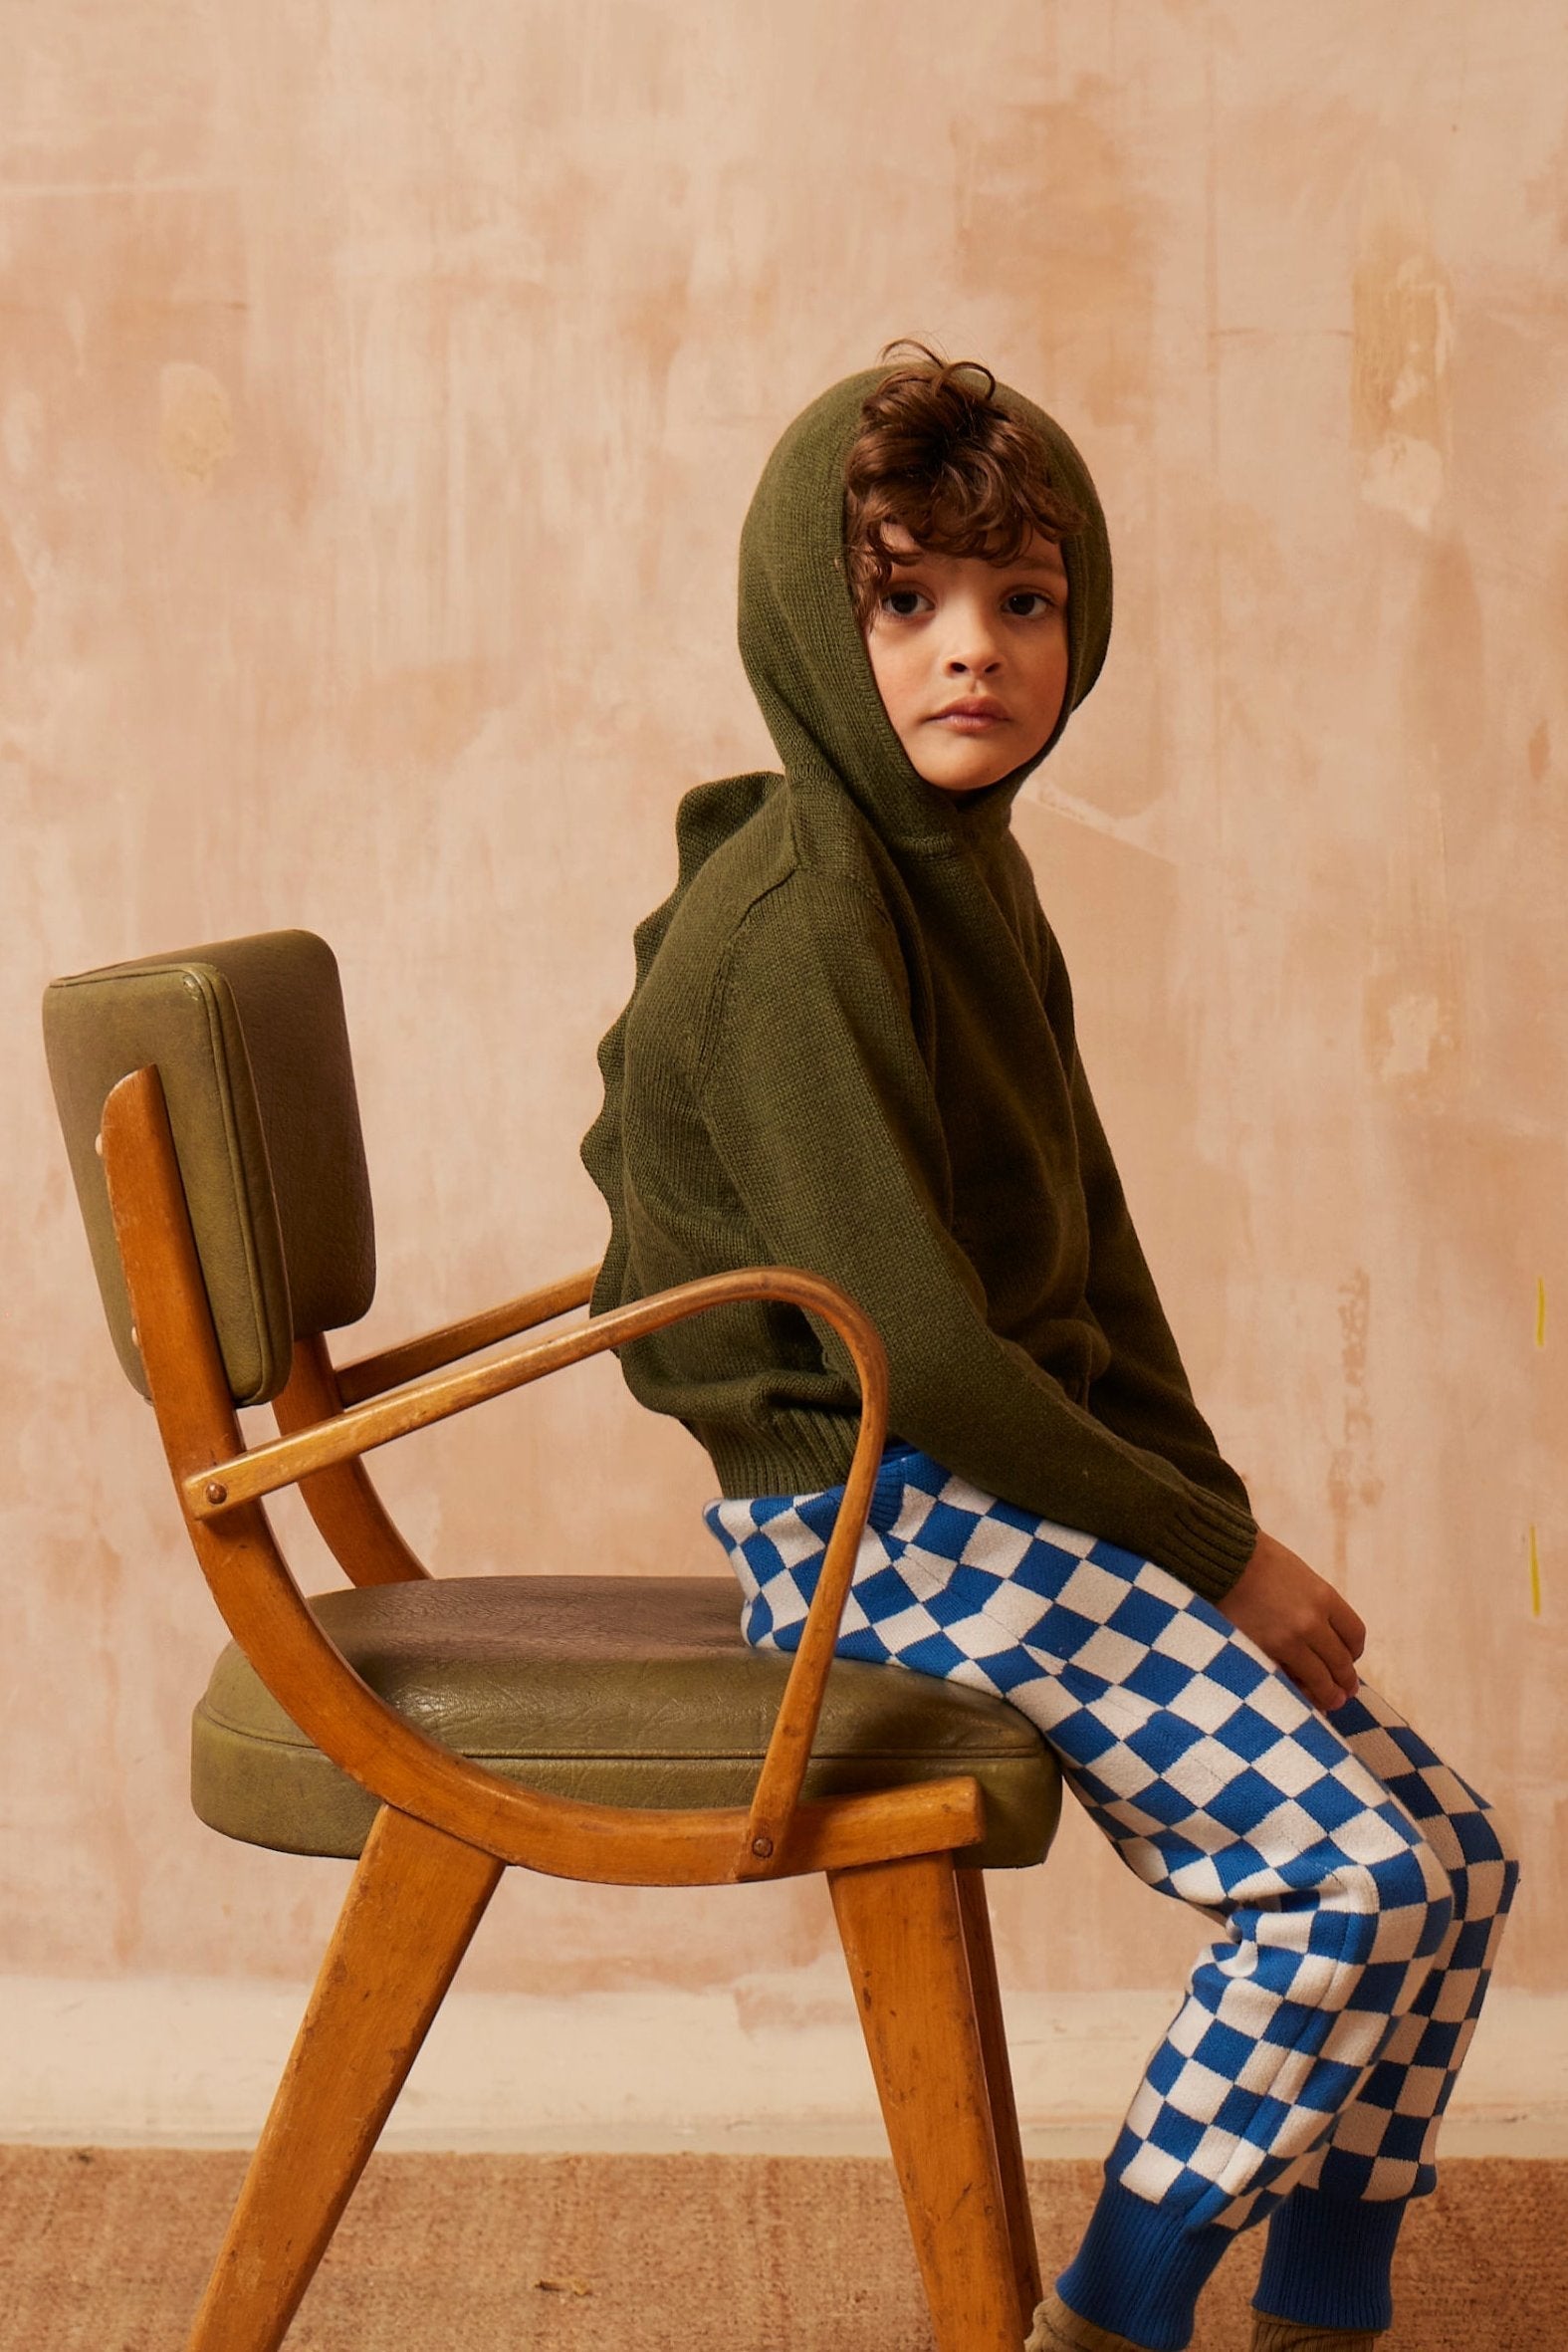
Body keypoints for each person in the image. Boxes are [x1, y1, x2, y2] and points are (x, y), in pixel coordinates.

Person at [580, 345, 1520, 2352]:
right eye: (904, 601)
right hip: (878, 1516)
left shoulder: (965, 876)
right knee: (1342, 1876)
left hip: (998, 1481)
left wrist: (1218, 1518)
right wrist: (1210, 1557)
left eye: (1022, 599)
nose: (972, 650)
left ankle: (1325, 2305)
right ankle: (1107, 2312)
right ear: (812, 625)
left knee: (1449, 1855)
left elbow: (1090, 1258)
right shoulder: (800, 923)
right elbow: (919, 1350)